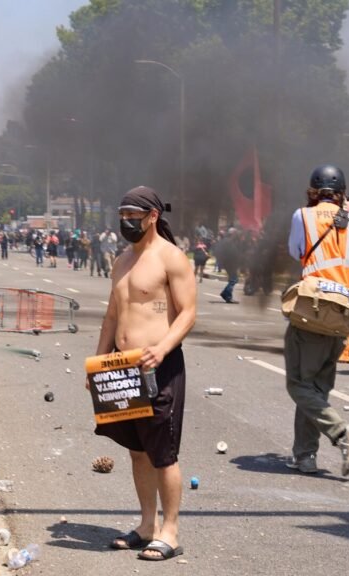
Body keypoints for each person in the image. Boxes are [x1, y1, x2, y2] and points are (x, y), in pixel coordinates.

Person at [94, 186, 196, 561]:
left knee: (162, 453)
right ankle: (146, 525)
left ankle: (170, 531)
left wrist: (163, 347)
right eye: (122, 216)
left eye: (133, 217)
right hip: (121, 368)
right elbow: (112, 315)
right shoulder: (122, 260)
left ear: (152, 217)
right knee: (137, 452)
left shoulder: (171, 258)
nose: (126, 222)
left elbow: (188, 313)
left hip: (158, 367)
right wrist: (98, 362)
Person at [284, 164, 349, 476]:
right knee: (316, 388)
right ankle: (305, 456)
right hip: (343, 314)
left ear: (313, 190)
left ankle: (343, 433)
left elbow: (295, 251)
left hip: (312, 310)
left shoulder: (302, 216)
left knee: (298, 384)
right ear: (343, 193)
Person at [216, 228, 241, 303]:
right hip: (230, 263)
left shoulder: (227, 241)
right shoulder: (228, 242)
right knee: (234, 279)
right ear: (233, 234)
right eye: (236, 234)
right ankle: (226, 295)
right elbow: (231, 253)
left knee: (233, 279)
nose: (237, 235)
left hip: (228, 263)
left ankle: (227, 295)